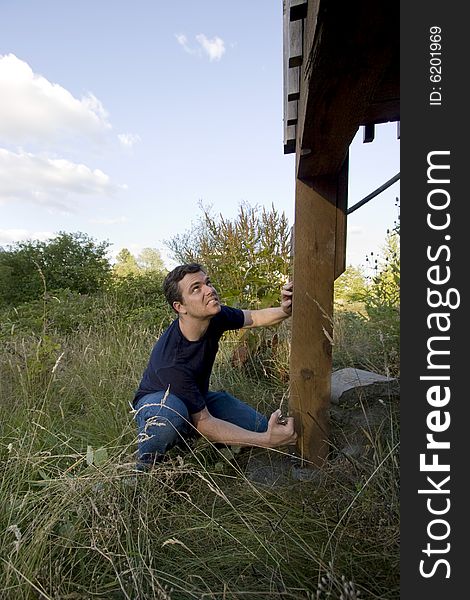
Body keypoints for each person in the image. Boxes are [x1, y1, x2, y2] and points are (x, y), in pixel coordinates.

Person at [132, 263, 297, 469]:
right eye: (196, 288)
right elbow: (205, 422)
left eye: (207, 282)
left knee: (259, 427)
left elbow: (254, 317)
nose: (209, 290)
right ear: (180, 307)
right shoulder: (171, 360)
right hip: (160, 402)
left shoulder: (215, 317)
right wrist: (267, 441)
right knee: (168, 416)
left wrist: (285, 310)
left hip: (197, 398)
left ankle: (189, 437)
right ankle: (146, 467)